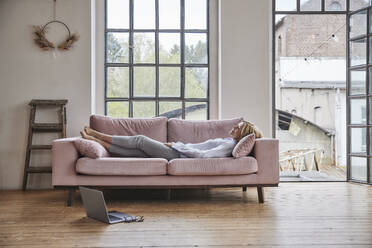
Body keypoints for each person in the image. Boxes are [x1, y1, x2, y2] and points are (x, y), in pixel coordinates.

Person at [80, 120, 262, 160]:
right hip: (178, 150)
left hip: (178, 155)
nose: (234, 127)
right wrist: (178, 145)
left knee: (141, 140)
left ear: (241, 132)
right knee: (137, 152)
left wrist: (176, 146)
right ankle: (97, 140)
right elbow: (197, 147)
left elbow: (202, 156)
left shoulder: (228, 145)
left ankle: (96, 135)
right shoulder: (227, 141)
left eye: (237, 127)